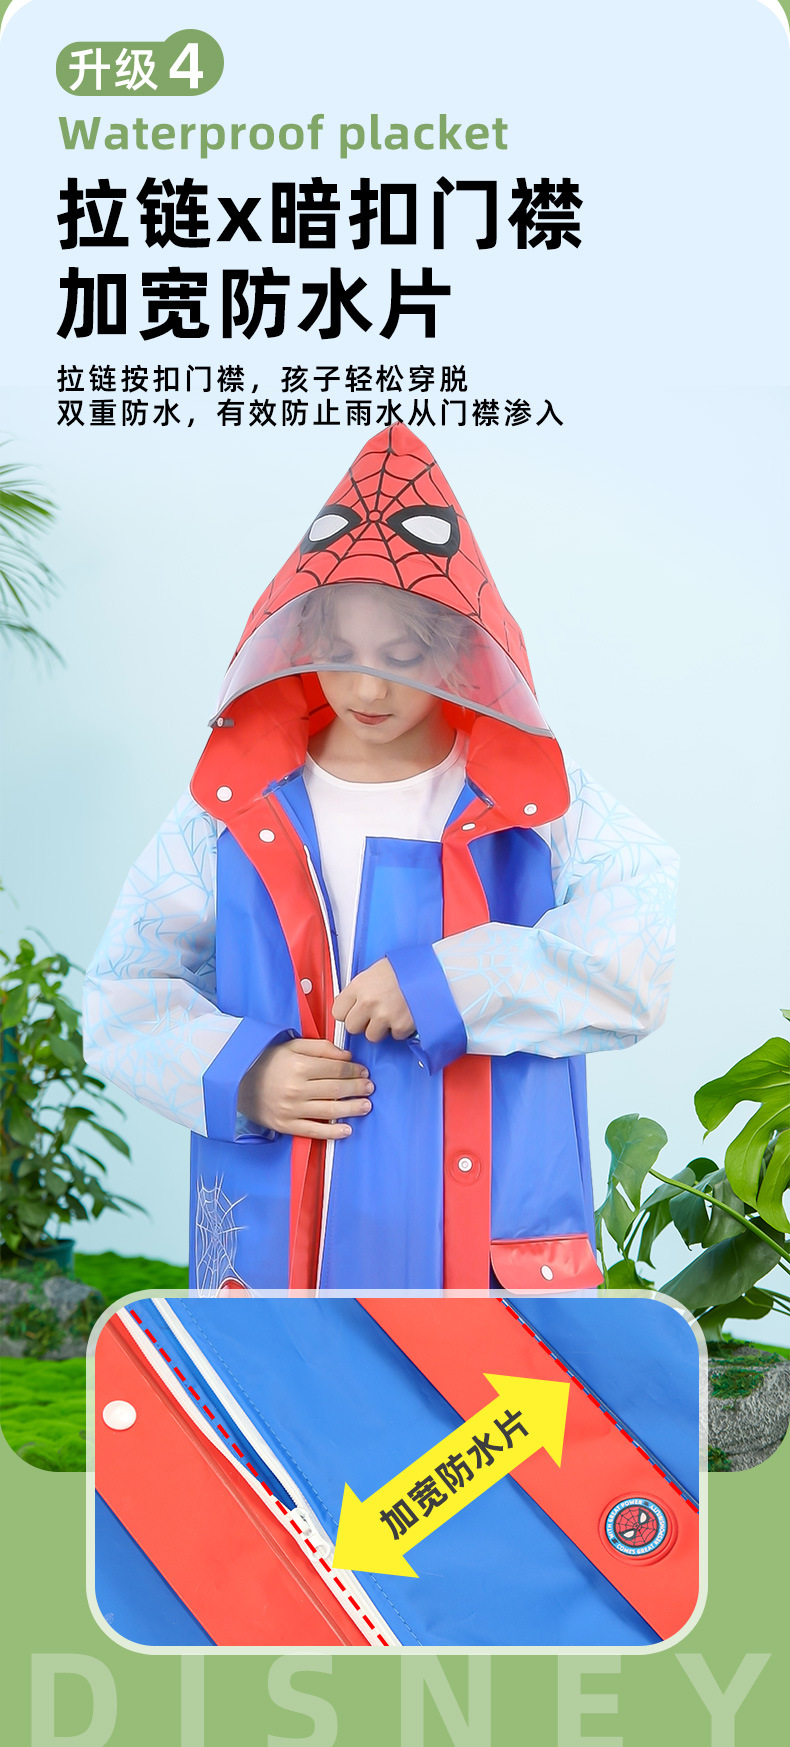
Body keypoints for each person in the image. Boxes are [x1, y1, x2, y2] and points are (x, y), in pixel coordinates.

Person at [83, 426, 678, 1292]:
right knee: (278, 1383)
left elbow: (637, 956)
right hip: (276, 1257)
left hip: (487, 1254)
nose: (367, 689)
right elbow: (122, 994)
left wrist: (454, 982)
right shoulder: (232, 805)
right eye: (342, 655)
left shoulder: (540, 798)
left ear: (463, 648)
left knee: (476, 1389)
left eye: (403, 658)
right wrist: (244, 1073)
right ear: (301, 639)